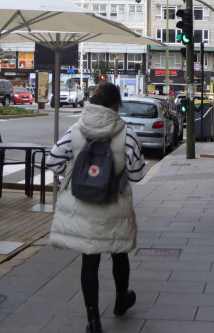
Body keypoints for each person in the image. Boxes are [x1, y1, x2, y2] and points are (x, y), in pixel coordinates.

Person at [46, 82, 146, 333]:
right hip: (115, 207)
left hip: (83, 207)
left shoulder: (75, 130)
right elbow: (136, 174)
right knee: (119, 253)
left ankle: (93, 320)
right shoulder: (127, 134)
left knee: (89, 260)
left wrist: (79, 174)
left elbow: (53, 160)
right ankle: (121, 300)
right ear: (115, 106)